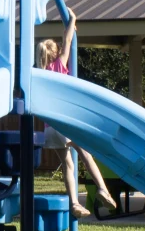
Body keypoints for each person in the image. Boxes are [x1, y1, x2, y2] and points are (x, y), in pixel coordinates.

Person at [36, 22, 118, 220]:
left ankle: (74, 202)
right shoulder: (58, 66)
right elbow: (68, 41)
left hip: (49, 129)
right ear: (55, 54)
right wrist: (71, 21)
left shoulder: (39, 75)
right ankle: (102, 189)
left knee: (67, 165)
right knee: (86, 155)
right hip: (65, 123)